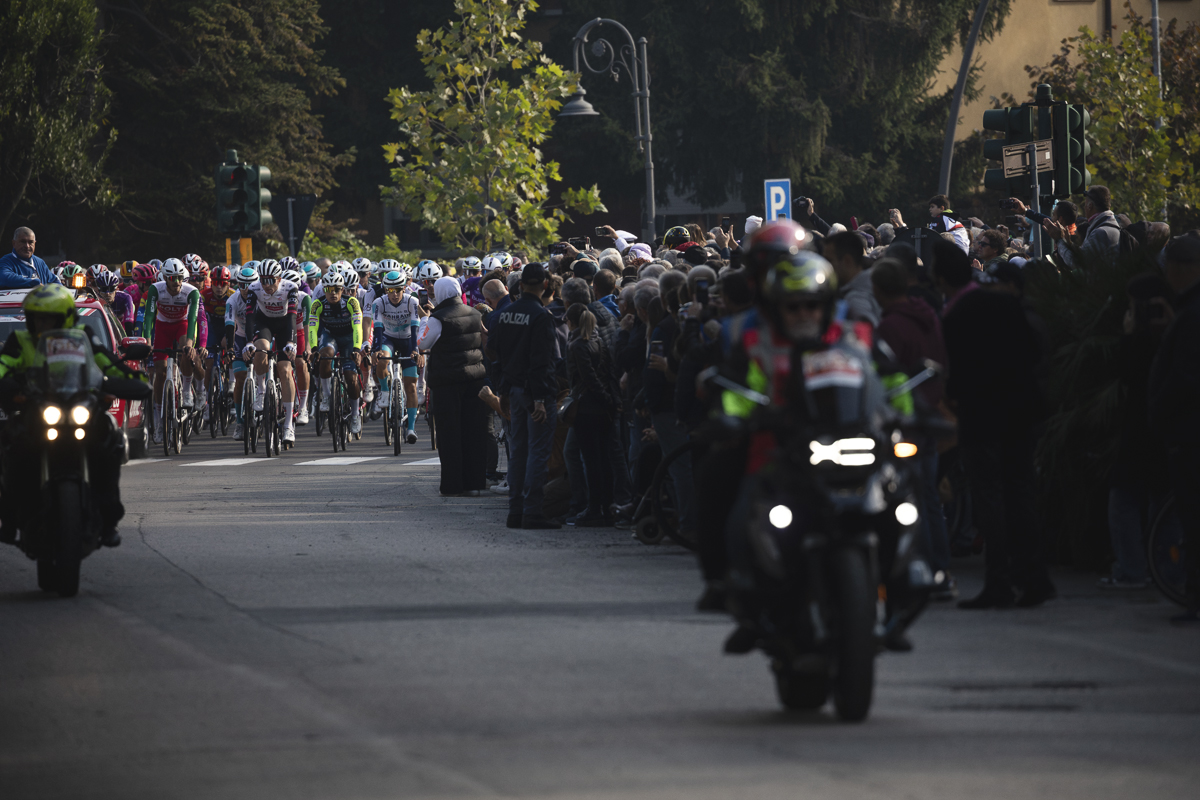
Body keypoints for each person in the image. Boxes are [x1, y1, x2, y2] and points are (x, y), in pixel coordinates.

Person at [936, 239, 1053, 609]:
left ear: (940, 280)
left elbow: (954, 375)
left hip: (982, 417)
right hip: (1020, 413)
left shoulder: (954, 316)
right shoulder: (1005, 303)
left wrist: (958, 398)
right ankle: (1034, 577)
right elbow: (1034, 354)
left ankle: (999, 581)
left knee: (989, 497)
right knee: (1020, 493)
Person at [0, 285, 147, 546]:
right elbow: (3, 366)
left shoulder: (84, 336)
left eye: (49, 318)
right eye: (37, 317)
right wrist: (8, 384)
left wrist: (132, 381)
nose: (42, 323)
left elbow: (108, 362)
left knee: (110, 436)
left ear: (65, 317)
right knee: (12, 442)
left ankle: (108, 517)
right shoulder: (20, 341)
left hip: (79, 405)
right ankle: (9, 519)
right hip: (39, 408)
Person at [871, 258, 955, 600]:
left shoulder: (890, 326)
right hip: (931, 415)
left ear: (878, 290)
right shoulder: (928, 315)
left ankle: (922, 569)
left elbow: (887, 374)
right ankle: (940, 569)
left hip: (906, 422)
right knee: (929, 498)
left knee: (910, 499)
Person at [1148, 234, 1200, 622]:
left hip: (1187, 432)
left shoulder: (1192, 313)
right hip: (1184, 429)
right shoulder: (1186, 311)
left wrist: (1160, 409)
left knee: (1192, 515)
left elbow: (1185, 376)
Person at [487, 262, 561, 529]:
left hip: (513, 391)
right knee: (538, 453)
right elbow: (542, 361)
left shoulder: (506, 314)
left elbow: (496, 354)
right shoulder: (541, 316)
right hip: (534, 394)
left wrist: (503, 390)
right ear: (544, 285)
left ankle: (515, 511)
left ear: (519, 286)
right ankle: (532, 512)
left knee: (517, 452)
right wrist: (541, 398)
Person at [418, 276, 488, 497]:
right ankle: (475, 483)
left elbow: (423, 343)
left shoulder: (438, 318)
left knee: (449, 434)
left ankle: (452, 485)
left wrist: (423, 321)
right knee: (474, 431)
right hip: (475, 378)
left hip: (447, 381)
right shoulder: (476, 313)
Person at [564, 304, 622, 525]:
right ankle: (605, 507)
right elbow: (608, 374)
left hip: (586, 408)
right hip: (602, 408)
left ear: (572, 322)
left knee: (591, 460)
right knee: (603, 459)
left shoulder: (577, 345)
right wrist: (611, 400)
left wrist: (605, 399)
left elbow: (588, 378)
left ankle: (594, 508)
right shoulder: (598, 341)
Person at [141, 259, 201, 441]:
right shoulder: (155, 289)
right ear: (165, 277)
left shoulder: (192, 292)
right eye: (172, 278)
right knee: (159, 373)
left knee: (186, 350)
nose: (177, 282)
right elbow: (149, 316)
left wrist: (190, 344)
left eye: (180, 278)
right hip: (162, 327)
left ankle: (186, 390)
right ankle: (160, 423)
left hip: (182, 325)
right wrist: (148, 341)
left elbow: (192, 320)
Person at [243, 260, 301, 444]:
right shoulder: (254, 288)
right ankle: (261, 390)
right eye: (263, 280)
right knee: (261, 350)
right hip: (264, 322)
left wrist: (291, 342)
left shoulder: (290, 288)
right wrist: (248, 342)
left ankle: (289, 425)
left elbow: (292, 316)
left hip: (285, 325)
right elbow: (250, 316)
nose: (266, 285)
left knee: (285, 371)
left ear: (279, 278)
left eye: (270, 280)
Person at [308, 270, 364, 433]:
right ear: (324, 289)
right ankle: (326, 396)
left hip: (348, 339)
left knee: (350, 378)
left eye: (337, 289)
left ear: (342, 289)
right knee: (324, 357)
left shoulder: (352, 303)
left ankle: (354, 415)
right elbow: (312, 328)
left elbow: (357, 327)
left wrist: (356, 349)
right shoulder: (317, 304)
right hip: (330, 336)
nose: (333, 293)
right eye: (329, 289)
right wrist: (314, 349)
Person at [371, 269, 423, 443]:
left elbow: (416, 327)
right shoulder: (379, 302)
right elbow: (377, 328)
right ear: (386, 290)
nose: (394, 294)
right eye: (390, 290)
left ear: (404, 288)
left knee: (411, 386)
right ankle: (384, 392)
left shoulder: (412, 301)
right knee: (382, 359)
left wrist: (416, 349)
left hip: (408, 340)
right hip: (388, 338)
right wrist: (376, 349)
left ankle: (411, 428)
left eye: (398, 290)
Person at [1028, 186, 1123, 267]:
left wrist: (1059, 240)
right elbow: (1084, 255)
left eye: (1085, 204)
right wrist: (1068, 244)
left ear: (1090, 206)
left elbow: (1077, 262)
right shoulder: (1108, 225)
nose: (1085, 208)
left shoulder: (1101, 232)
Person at [823, 230, 881, 326]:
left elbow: (865, 338)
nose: (824, 266)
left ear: (847, 260)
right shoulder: (875, 286)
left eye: (829, 260)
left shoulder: (855, 302)